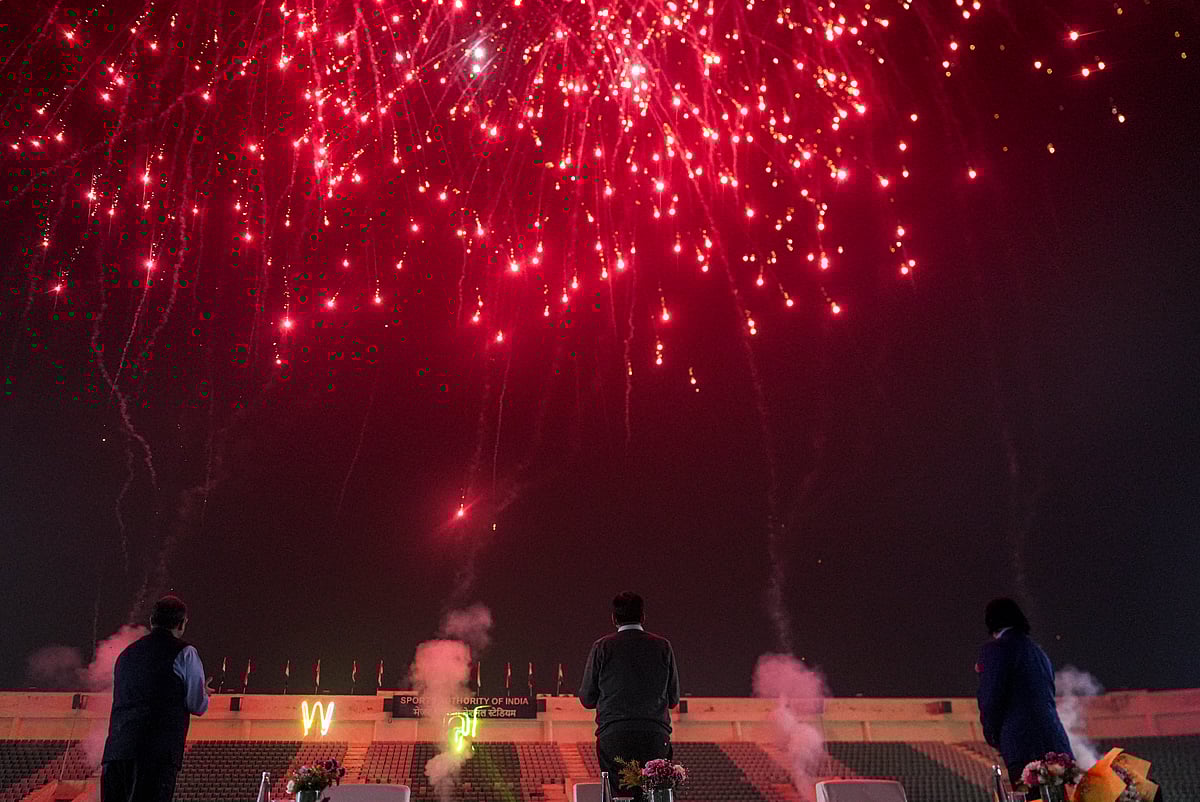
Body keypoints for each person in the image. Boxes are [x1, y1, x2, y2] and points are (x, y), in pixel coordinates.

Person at [102, 595, 210, 802]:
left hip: (116, 752)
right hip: (156, 753)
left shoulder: (125, 655)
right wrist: (203, 693)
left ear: (152, 621)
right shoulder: (185, 653)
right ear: (182, 623)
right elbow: (196, 704)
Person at [579, 592, 681, 800]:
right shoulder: (663, 646)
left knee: (620, 795)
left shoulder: (602, 647)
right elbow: (673, 699)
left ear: (614, 619)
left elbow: (587, 699)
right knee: (656, 794)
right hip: (654, 734)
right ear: (643, 617)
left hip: (615, 735)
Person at [976, 597, 1072, 785]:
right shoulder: (1039, 653)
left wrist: (993, 735)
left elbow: (991, 698)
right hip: (1056, 742)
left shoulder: (995, 649)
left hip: (1023, 745)